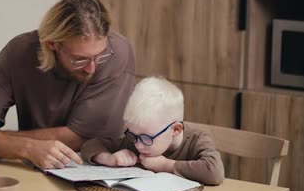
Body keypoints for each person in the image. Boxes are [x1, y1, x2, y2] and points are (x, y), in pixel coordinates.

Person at [0, 0, 135, 169]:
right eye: (79, 59)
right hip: (30, 168)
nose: (91, 68)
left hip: (97, 170)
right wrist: (27, 148)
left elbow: (84, 139)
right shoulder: (19, 52)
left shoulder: (117, 53)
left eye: (99, 56)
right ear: (52, 44)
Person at [80, 77, 225, 185]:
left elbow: (215, 172)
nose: (138, 145)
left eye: (146, 138)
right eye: (132, 134)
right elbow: (91, 144)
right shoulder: (136, 140)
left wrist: (165, 165)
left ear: (175, 129)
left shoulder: (197, 140)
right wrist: (109, 159)